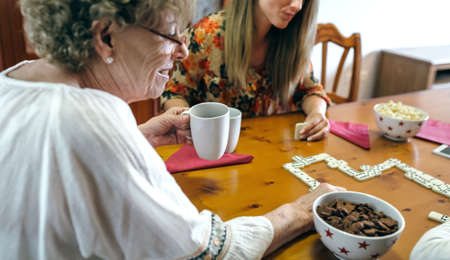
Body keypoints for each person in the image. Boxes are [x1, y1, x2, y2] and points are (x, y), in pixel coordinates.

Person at [0, 0, 344, 258]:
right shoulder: (96, 119)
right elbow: (207, 251)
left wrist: (138, 138)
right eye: (170, 34)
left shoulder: (13, 81)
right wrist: (301, 209)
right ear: (106, 36)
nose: (182, 51)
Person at [162, 0, 330, 141]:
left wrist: (317, 113)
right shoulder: (206, 35)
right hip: (215, 156)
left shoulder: (291, 39)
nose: (298, 5)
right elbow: (174, 93)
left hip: (273, 152)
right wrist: (188, 126)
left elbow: (312, 90)